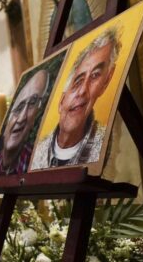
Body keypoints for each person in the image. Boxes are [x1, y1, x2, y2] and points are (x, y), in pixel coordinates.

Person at [31, 26, 122, 169]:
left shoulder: (104, 143)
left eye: (94, 76)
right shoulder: (37, 153)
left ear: (106, 81)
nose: (82, 91)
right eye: (78, 82)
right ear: (61, 102)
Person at [0, 69, 49, 177]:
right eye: (18, 108)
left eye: (32, 103)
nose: (21, 118)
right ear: (5, 120)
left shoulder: (37, 162)